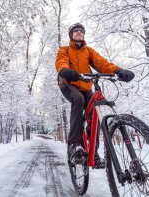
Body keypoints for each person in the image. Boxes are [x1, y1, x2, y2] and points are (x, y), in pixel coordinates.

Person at [55, 23, 135, 163]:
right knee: (78, 99)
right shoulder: (65, 50)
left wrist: (118, 71)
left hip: (86, 88)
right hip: (68, 84)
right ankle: (74, 145)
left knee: (94, 113)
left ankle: (93, 152)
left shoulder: (89, 51)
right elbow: (61, 62)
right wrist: (64, 71)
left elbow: (102, 63)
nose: (79, 33)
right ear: (71, 34)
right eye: (76, 31)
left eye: (81, 31)